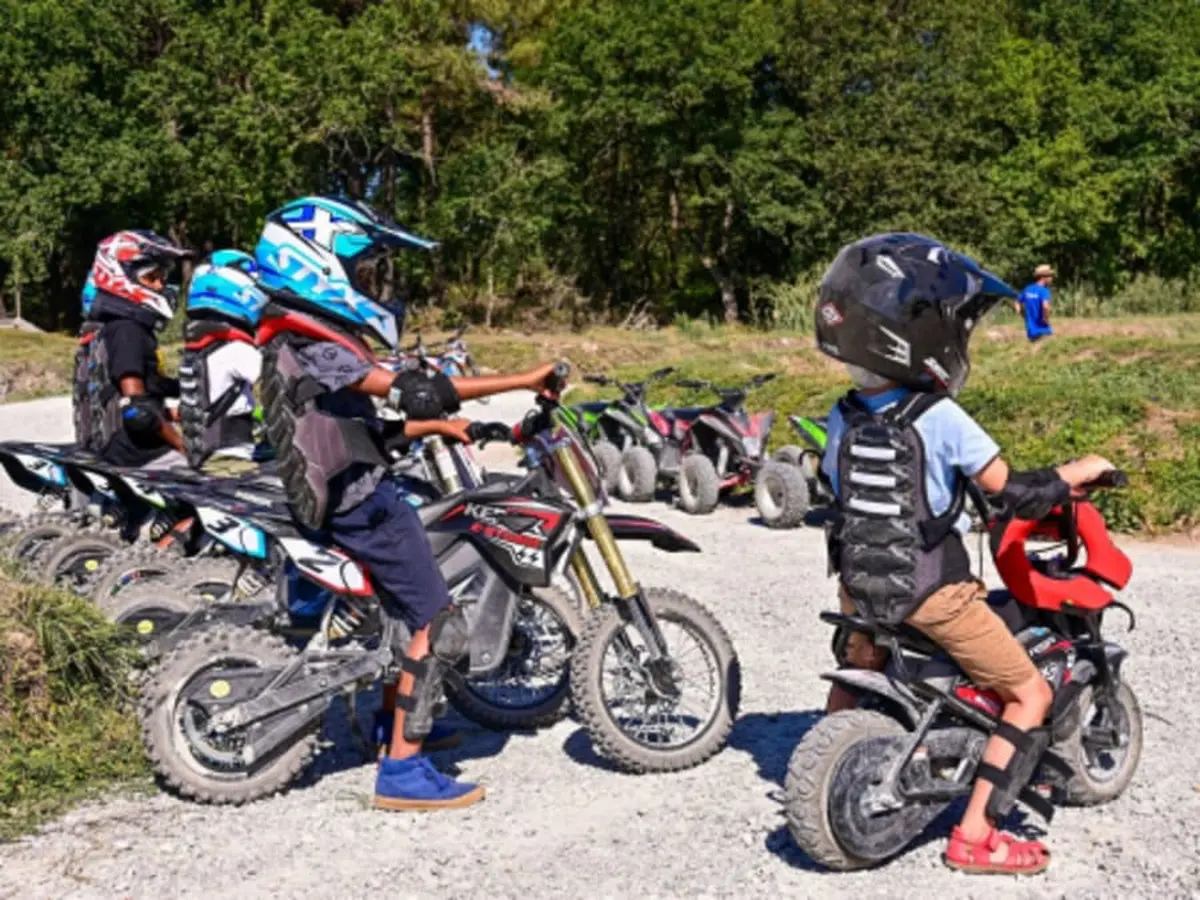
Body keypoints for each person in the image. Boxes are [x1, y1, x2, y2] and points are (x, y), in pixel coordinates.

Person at [814, 233, 1114, 875]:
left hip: (860, 590)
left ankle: (830, 745)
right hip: (932, 594)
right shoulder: (940, 417)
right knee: (1028, 694)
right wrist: (1075, 472)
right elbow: (1013, 492)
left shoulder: (842, 416)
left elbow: (841, 498)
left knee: (859, 656)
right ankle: (975, 834)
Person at [253, 195, 557, 811]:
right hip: (362, 504)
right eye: (356, 266)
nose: (364, 281)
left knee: (403, 616)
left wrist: (438, 428)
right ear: (315, 258)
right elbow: (417, 390)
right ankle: (403, 770)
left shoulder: (295, 331)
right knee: (437, 622)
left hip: (355, 493)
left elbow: (356, 425)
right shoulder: (310, 337)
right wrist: (523, 380)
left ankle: (389, 726)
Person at [73, 231, 192, 470]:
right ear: (120, 278)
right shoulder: (128, 330)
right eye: (151, 278)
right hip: (137, 455)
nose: (160, 286)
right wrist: (184, 447)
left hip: (114, 449)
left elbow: (135, 394)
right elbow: (137, 412)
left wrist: (180, 408)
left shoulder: (112, 328)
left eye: (162, 277)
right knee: (218, 476)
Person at [178, 250, 269, 471]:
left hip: (205, 455)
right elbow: (279, 380)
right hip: (233, 459)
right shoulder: (236, 350)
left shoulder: (197, 348)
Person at [1015, 263, 1055, 341]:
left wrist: (1022, 314)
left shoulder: (1028, 289)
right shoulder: (1044, 291)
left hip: (1031, 332)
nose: (1051, 278)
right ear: (1043, 277)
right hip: (1043, 331)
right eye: (1050, 276)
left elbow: (1017, 302)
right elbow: (1045, 306)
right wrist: (1046, 318)